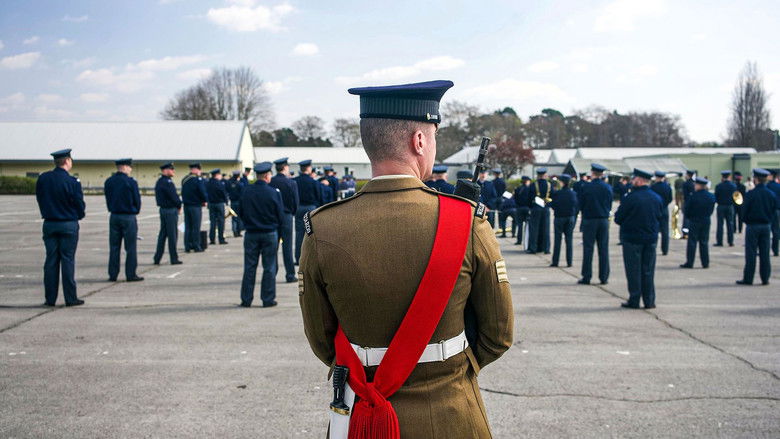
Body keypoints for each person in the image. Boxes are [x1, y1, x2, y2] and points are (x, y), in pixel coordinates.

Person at [299, 80, 513, 438]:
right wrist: (445, 367)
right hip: (451, 411)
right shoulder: (467, 221)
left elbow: (322, 340)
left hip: (361, 416)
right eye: (434, 137)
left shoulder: (321, 227)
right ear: (419, 141)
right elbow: (498, 335)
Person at [35, 148, 86, 306]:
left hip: (50, 223)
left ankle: (50, 298)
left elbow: (40, 198)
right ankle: (70, 298)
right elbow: (79, 204)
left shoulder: (43, 179)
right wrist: (78, 215)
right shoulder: (72, 181)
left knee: (51, 261)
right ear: (67, 161)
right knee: (67, 260)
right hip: (68, 223)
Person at [614, 169, 663, 309]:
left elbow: (618, 218)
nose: (632, 181)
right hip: (650, 239)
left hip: (632, 239)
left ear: (640, 181)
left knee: (633, 271)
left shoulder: (630, 198)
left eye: (634, 179)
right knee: (648, 270)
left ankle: (634, 299)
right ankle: (649, 300)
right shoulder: (656, 198)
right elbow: (660, 216)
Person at [237, 162, 284, 307]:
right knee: (269, 267)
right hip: (269, 233)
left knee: (249, 267)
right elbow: (280, 216)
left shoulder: (246, 191)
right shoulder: (274, 193)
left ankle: (246, 299)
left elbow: (240, 212)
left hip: (251, 233)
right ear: (267, 176)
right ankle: (267, 299)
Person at [104, 158, 143, 282]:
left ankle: (113, 274)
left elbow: (108, 199)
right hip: (128, 216)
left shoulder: (109, 181)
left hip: (114, 216)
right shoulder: (131, 182)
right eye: (130, 167)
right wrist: (135, 210)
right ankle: (130, 274)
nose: (131, 169)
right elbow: (137, 200)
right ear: (125, 167)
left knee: (114, 247)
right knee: (130, 247)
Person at [737, 168, 777, 285]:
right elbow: (774, 210)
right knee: (765, 253)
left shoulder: (751, 194)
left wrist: (746, 221)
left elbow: (744, 211)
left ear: (756, 179)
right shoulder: (771, 194)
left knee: (751, 253)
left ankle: (748, 278)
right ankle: (765, 278)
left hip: (753, 226)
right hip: (766, 226)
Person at [578, 163, 612, 285]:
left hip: (590, 219)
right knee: (603, 249)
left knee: (588, 249)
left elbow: (581, 204)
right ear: (602, 174)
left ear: (592, 173)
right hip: (603, 220)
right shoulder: (607, 187)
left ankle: (586, 276)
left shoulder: (586, 187)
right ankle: (604, 276)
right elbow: (609, 204)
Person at [269, 157, 300, 283]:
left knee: (273, 247)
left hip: (273, 216)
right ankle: (290, 274)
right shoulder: (291, 183)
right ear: (285, 167)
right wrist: (292, 213)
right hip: (286, 216)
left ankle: (272, 273)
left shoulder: (270, 182)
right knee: (287, 247)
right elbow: (295, 202)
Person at [680, 177, 715, 269]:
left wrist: (689, 217)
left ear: (699, 185)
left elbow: (687, 209)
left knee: (692, 242)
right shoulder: (711, 196)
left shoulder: (693, 196)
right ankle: (705, 262)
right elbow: (711, 210)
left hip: (694, 220)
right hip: (706, 220)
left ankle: (690, 262)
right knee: (704, 242)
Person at [153, 162, 183, 265]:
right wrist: (179, 205)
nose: (173, 171)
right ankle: (174, 258)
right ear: (165, 170)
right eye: (171, 169)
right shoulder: (168, 182)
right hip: (170, 210)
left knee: (163, 234)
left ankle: (157, 257)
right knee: (172, 235)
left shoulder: (160, 181)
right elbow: (174, 197)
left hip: (163, 210)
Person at [294, 159, 322, 264]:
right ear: (309, 168)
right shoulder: (314, 182)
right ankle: (311, 258)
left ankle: (298, 258)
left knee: (299, 234)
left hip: (299, 208)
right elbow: (318, 197)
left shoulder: (295, 181)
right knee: (311, 233)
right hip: (310, 208)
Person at [549, 174, 577, 267]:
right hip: (570, 217)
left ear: (562, 183)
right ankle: (569, 262)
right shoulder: (573, 193)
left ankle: (555, 261)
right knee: (569, 240)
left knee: (557, 240)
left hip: (559, 217)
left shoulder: (558, 193)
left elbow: (553, 205)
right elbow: (576, 205)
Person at [182, 162, 208, 252]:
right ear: (196, 170)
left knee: (188, 227)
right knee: (196, 227)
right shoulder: (198, 180)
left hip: (186, 206)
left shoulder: (185, 179)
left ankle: (187, 246)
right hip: (196, 206)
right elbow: (202, 192)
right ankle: (196, 245)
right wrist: (205, 201)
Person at [525, 168, 551, 254]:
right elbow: (553, 196)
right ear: (545, 175)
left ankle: (533, 248)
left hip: (536, 208)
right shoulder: (549, 184)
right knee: (546, 229)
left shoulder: (533, 185)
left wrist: (530, 207)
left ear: (538, 175)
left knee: (534, 229)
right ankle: (546, 248)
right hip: (546, 208)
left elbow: (529, 197)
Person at [650, 171, 673, 255]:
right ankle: (665, 249)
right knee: (665, 231)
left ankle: (653, 247)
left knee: (654, 230)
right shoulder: (667, 187)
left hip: (655, 210)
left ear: (656, 177)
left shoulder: (653, 187)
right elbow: (670, 198)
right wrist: (665, 204)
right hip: (664, 210)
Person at [714, 170, 737, 247]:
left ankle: (719, 241)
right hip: (730, 206)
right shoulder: (733, 186)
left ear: (722, 177)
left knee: (720, 224)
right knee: (730, 224)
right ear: (729, 176)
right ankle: (731, 241)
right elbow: (736, 197)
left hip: (721, 206)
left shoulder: (718, 186)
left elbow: (716, 197)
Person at [206, 169, 228, 245]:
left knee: (212, 222)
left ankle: (212, 239)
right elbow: (223, 193)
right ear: (217, 175)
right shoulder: (219, 183)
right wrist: (226, 201)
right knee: (221, 222)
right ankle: (221, 239)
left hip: (211, 204)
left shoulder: (208, 183)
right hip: (219, 203)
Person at [513, 176, 532, 245]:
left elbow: (515, 199)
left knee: (520, 226)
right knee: (528, 226)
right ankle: (528, 241)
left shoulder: (517, 188)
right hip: (527, 208)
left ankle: (519, 240)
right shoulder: (529, 189)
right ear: (527, 181)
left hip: (519, 208)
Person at [226, 170, 244, 237]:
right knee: (239, 217)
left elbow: (227, 190)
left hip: (232, 202)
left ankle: (234, 231)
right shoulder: (240, 184)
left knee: (234, 217)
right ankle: (238, 231)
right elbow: (242, 193)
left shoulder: (229, 183)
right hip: (239, 202)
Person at [768, 170, 780, 256]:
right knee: (775, 230)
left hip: (768, 210)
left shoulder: (767, 186)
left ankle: (764, 249)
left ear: (772, 176)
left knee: (766, 231)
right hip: (777, 210)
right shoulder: (778, 186)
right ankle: (775, 250)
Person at [681, 169, 696, 238]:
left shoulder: (685, 184)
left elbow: (684, 195)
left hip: (687, 203)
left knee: (686, 219)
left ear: (688, 175)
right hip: (694, 203)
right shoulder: (694, 183)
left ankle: (685, 234)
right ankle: (692, 232)